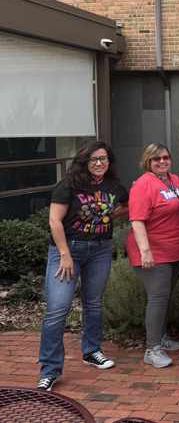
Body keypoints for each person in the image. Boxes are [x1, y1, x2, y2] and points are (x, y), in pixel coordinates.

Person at [37, 141, 128, 391]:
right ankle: (49, 368)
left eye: (103, 159)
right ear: (85, 161)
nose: (99, 163)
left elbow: (126, 205)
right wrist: (65, 254)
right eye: (94, 159)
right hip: (68, 251)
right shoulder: (69, 185)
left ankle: (92, 351)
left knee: (94, 303)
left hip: (99, 249)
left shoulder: (114, 186)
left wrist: (106, 216)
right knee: (58, 309)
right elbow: (55, 221)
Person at [126, 144, 179, 369]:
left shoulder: (174, 179)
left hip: (174, 249)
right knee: (158, 297)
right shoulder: (143, 185)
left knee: (165, 296)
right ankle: (152, 349)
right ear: (147, 162)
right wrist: (145, 251)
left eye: (166, 157)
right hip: (153, 250)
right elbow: (137, 220)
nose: (162, 161)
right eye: (156, 159)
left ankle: (161, 337)